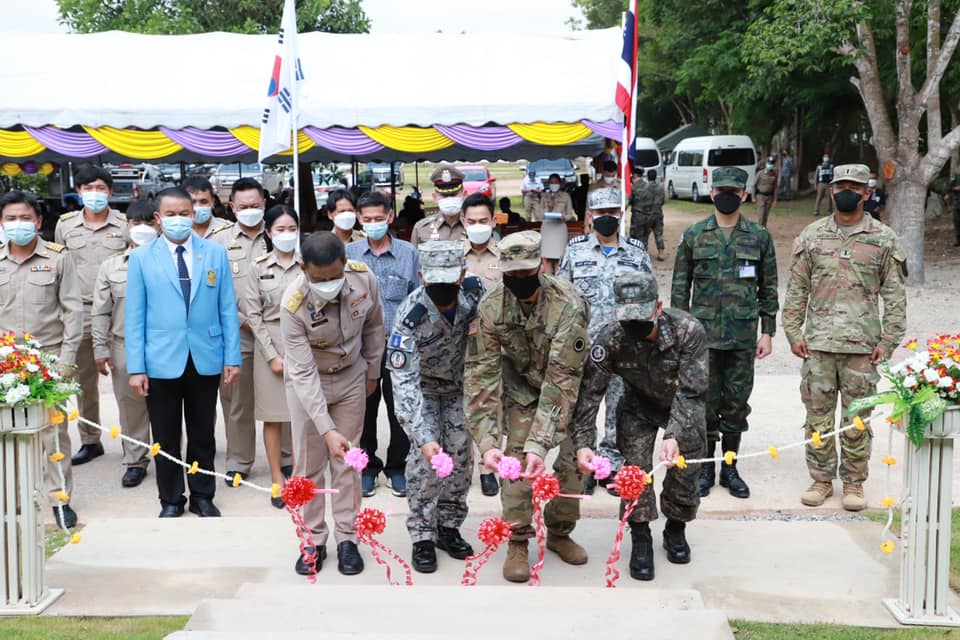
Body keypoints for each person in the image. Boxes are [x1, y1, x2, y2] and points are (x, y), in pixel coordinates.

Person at [464, 230, 591, 583]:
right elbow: (480, 378)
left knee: (574, 465)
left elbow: (561, 381)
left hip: (567, 390)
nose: (520, 280)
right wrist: (487, 442)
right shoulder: (491, 307)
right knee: (516, 464)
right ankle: (518, 540)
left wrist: (541, 444)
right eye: (512, 275)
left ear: (542, 265)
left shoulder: (568, 304)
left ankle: (560, 532)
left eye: (526, 273)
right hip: (521, 388)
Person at [782, 163, 907, 511]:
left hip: (862, 349)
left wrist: (888, 342)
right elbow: (797, 290)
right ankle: (821, 480)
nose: (846, 192)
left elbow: (895, 297)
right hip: (818, 347)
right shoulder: (812, 236)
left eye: (854, 187)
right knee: (818, 419)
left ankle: (853, 482)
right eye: (840, 187)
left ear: (867, 193)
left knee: (857, 421)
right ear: (832, 191)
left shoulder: (883, 239)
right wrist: (792, 331)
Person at [572, 271, 707, 581]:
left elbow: (692, 392)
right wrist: (583, 443)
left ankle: (676, 527)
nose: (633, 324)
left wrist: (673, 434)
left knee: (685, 471)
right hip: (638, 409)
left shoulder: (688, 331)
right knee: (635, 472)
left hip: (682, 408)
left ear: (658, 307)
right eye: (627, 317)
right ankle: (641, 534)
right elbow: (590, 394)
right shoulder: (611, 338)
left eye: (641, 317)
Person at [126, 187, 242, 518]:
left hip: (205, 355)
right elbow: (134, 317)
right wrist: (136, 367)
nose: (178, 219)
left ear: (194, 215)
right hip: (160, 358)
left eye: (184, 213)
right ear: (158, 218)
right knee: (165, 435)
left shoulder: (214, 253)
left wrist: (232, 357)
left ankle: (203, 495)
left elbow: (227, 308)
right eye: (171, 214)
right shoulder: (142, 257)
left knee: (202, 432)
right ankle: (171, 498)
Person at [671, 167, 778, 500]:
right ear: (712, 192)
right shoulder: (694, 235)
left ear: (744, 195)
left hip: (742, 337)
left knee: (736, 404)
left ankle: (730, 468)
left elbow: (768, 287)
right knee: (704, 405)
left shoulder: (759, 237)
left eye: (734, 192)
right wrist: (678, 333)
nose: (727, 197)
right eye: (721, 192)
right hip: (702, 338)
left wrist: (768, 331)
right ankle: (706, 467)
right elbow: (680, 287)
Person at [281, 232, 384, 576]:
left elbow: (374, 326)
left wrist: (372, 372)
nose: (329, 285)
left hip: (352, 376)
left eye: (335, 277)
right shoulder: (292, 304)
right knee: (309, 465)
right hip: (309, 384)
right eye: (320, 279)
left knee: (348, 463)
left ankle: (347, 538)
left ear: (345, 263)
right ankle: (312, 540)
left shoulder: (364, 279)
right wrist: (326, 430)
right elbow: (302, 373)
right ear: (303, 269)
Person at [389, 241, 483, 573]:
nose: (443, 287)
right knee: (424, 461)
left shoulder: (475, 296)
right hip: (424, 389)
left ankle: (448, 527)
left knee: (459, 457)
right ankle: (422, 536)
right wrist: (424, 437)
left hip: (460, 387)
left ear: (462, 274)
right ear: (422, 277)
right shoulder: (410, 316)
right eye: (435, 281)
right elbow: (404, 382)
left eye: (449, 280)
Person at [558, 187, 652, 494]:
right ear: (589, 216)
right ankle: (584, 466)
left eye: (612, 212)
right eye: (600, 213)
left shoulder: (636, 253)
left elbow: (649, 296)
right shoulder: (576, 251)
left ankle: (610, 464)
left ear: (621, 214)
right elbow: (561, 297)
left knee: (618, 408)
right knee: (583, 408)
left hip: (624, 348)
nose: (606, 217)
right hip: (584, 348)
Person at [0, 190, 83, 528]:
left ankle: (59, 500)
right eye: (11, 218)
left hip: (48, 359)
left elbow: (73, 311)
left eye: (25, 218)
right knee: (8, 434)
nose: (18, 224)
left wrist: (66, 360)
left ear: (38, 222)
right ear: (1, 223)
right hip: (5, 361)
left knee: (54, 433)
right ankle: (13, 501)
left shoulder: (58, 257)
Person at [345, 191, 419, 498]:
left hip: (399, 345)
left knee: (400, 408)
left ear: (390, 217)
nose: (373, 223)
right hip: (360, 346)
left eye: (379, 218)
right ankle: (367, 467)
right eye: (367, 219)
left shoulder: (408, 253)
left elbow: (418, 298)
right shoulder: (349, 253)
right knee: (363, 409)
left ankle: (397, 467)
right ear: (359, 219)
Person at [55, 165, 128, 466]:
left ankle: (133, 442)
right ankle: (90, 440)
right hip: (82, 310)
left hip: (120, 311)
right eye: (88, 188)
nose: (94, 194)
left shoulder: (124, 224)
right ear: (79, 191)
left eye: (100, 188)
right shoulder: (65, 225)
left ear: (110, 191)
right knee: (84, 382)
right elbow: (59, 267)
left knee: (127, 379)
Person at [239, 204, 302, 509]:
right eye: (280, 229)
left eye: (292, 229)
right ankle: (277, 476)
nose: (286, 234)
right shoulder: (258, 267)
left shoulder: (308, 264)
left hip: (304, 344)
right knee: (274, 416)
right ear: (268, 232)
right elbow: (253, 315)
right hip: (270, 344)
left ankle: (301, 475)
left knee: (303, 415)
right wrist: (271, 355)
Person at [91, 201, 157, 489]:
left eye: (148, 223)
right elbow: (101, 311)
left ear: (158, 225)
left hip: (164, 345)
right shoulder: (111, 266)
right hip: (124, 345)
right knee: (131, 408)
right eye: (135, 223)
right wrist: (100, 348)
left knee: (167, 406)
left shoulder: (171, 260)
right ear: (126, 226)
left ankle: (169, 459)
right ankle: (135, 460)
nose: (142, 228)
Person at [211, 177, 272, 486]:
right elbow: (213, 292)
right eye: (244, 206)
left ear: (265, 205)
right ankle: (238, 460)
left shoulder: (278, 233)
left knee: (281, 399)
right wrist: (244, 320)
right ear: (232, 207)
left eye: (255, 205)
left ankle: (286, 458)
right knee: (237, 402)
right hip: (237, 334)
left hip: (275, 334)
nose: (250, 210)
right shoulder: (218, 241)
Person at [409, 165, 468, 245]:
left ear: (464, 195)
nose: (449, 199)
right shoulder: (421, 228)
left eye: (453, 195)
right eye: (444, 196)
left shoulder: (474, 226)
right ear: (435, 197)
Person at [537, 173, 577, 274]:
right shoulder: (544, 196)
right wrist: (549, 207)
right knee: (547, 258)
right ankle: (548, 281)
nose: (554, 184)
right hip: (547, 229)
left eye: (556, 182)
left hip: (559, 229)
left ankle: (558, 281)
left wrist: (562, 217)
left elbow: (570, 214)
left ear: (560, 183)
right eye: (551, 182)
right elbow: (540, 215)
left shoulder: (565, 196)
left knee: (559, 259)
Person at [461, 193, 501, 289]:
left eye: (483, 221)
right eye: (471, 222)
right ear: (464, 222)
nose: (477, 226)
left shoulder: (505, 255)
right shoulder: (454, 255)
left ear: (493, 221)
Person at [630, 169, 666, 261]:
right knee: (659, 233)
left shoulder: (643, 188)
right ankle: (661, 252)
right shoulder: (661, 187)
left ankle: (644, 251)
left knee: (644, 234)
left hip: (646, 215)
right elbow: (662, 201)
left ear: (647, 177)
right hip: (658, 213)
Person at [753, 157, 779, 228]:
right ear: (766, 163)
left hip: (769, 197)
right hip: (760, 196)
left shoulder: (774, 174)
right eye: (769, 163)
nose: (770, 165)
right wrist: (753, 197)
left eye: (772, 163)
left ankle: (763, 229)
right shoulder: (760, 173)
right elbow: (754, 185)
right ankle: (760, 229)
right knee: (761, 215)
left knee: (765, 215)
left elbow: (775, 188)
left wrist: (775, 200)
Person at [950, 175, 960, 247]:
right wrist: (955, 188)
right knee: (957, 222)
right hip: (957, 204)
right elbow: (949, 187)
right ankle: (958, 240)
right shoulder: (955, 176)